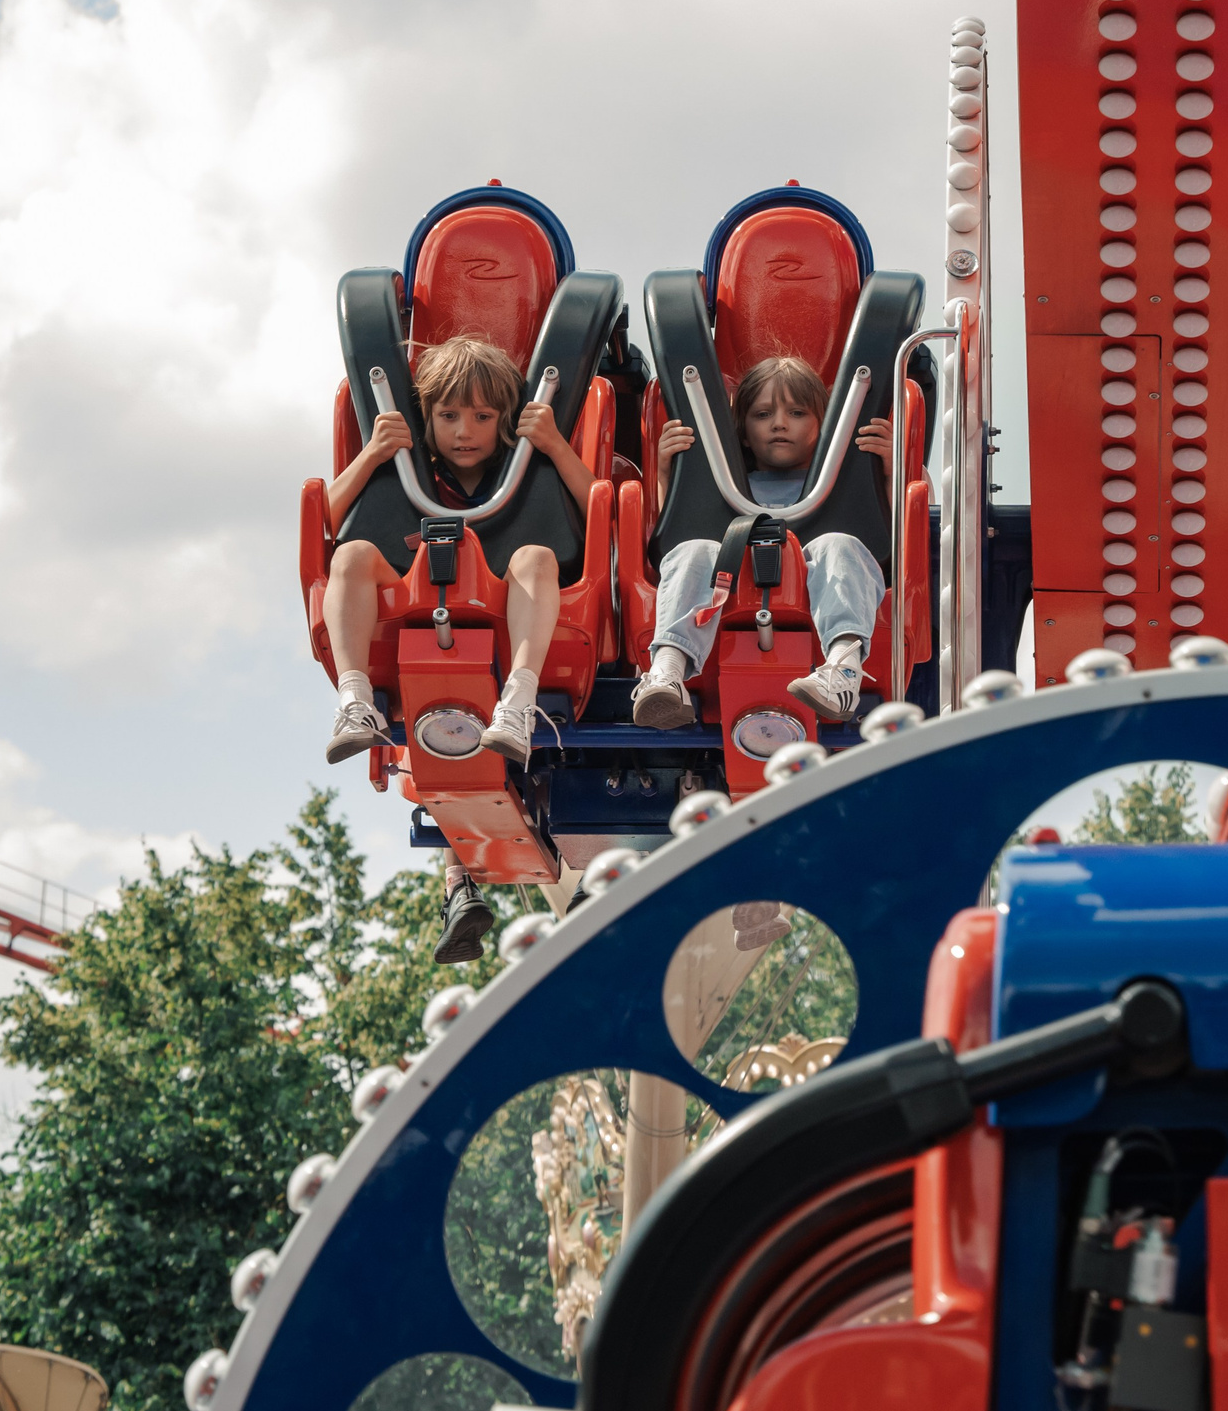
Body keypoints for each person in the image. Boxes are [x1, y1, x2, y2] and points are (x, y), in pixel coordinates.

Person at [317, 336, 592, 961]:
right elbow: (321, 527)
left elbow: (606, 516)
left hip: (506, 620)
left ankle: (519, 701)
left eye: (482, 417)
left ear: (505, 420)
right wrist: (371, 455)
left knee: (536, 556)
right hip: (415, 619)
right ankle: (355, 699)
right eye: (448, 416)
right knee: (352, 555)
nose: (465, 432)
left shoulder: (526, 467)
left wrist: (554, 446)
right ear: (426, 418)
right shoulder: (402, 468)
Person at [631, 355, 892, 730]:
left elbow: (890, 533)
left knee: (840, 545)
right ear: (742, 431)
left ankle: (843, 669)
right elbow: (674, 533)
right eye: (763, 414)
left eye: (797, 413)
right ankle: (667, 671)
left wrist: (888, 472)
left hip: (813, 589)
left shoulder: (842, 489)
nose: (779, 424)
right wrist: (667, 474)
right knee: (693, 550)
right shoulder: (726, 487)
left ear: (825, 427)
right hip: (729, 586)